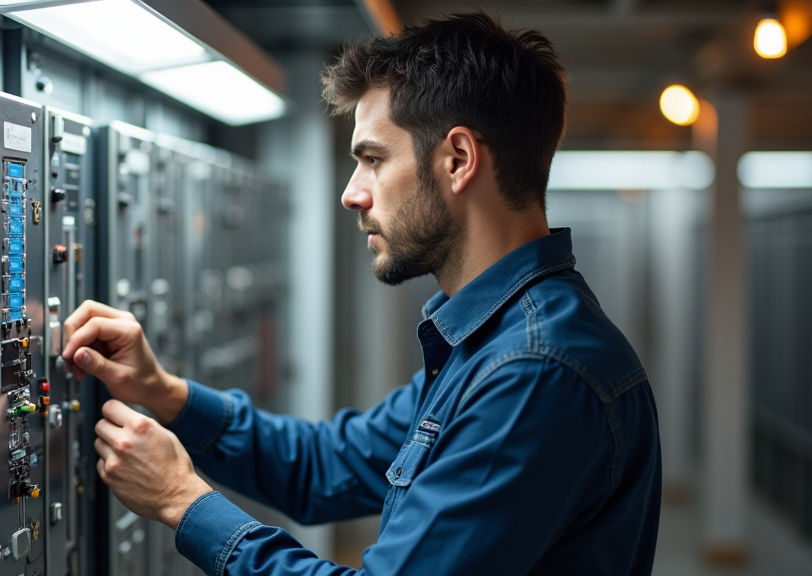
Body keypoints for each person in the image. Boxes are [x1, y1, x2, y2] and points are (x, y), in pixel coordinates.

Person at [62, 10, 661, 575]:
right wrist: (162, 392)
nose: (352, 193)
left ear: (458, 159)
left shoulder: (533, 371)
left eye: (373, 159)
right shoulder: (489, 344)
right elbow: (325, 466)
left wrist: (181, 501)